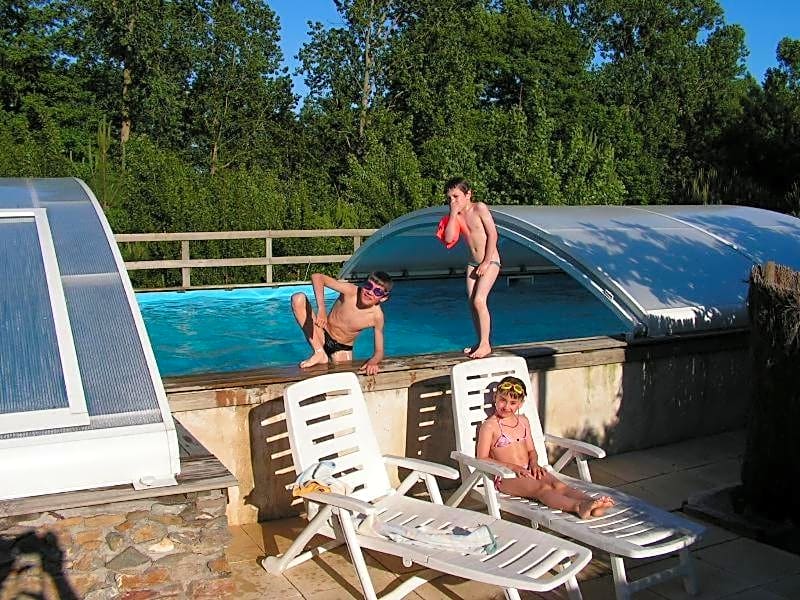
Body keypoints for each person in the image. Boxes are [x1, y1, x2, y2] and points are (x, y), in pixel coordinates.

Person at [476, 376, 615, 519]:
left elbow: (531, 450)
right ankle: (578, 507)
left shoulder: (523, 421)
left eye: (513, 402)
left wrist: (534, 463)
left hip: (529, 469)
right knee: (542, 489)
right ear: (495, 397)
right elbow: (482, 457)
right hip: (507, 476)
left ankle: (592, 503)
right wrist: (513, 467)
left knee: (559, 485)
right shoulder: (489, 426)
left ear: (520, 404)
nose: (506, 406)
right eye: (502, 400)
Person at [441, 177, 500, 359]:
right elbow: (449, 238)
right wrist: (452, 214)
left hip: (490, 261)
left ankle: (485, 344)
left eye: (456, 196)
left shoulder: (479, 208)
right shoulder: (456, 216)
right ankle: (479, 341)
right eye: (450, 198)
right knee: (471, 303)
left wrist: (486, 262)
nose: (453, 201)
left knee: (479, 301)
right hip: (472, 264)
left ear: (468, 194)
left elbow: (493, 235)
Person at [291, 271, 393, 375]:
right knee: (298, 298)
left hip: (342, 348)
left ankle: (322, 355)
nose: (370, 292)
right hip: (322, 333)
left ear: (384, 298)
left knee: (344, 379)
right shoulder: (351, 291)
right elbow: (317, 277)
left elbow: (379, 351)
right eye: (368, 286)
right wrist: (321, 309)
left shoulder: (377, 317)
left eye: (377, 292)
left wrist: (373, 361)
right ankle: (319, 352)